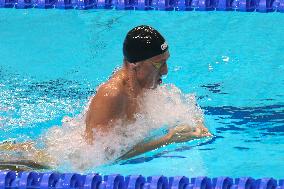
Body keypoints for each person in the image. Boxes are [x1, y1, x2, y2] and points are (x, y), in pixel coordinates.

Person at [85, 25, 212, 159]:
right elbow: (103, 157)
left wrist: (195, 122)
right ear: (135, 64)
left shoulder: (143, 85)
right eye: (158, 64)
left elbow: (174, 112)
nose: (165, 71)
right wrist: (169, 139)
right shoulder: (112, 95)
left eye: (166, 62)